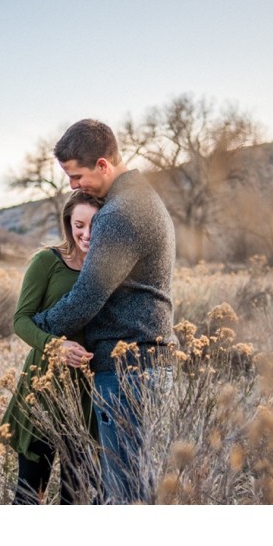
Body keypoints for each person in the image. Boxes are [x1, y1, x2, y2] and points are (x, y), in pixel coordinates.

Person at [33, 119, 177, 504]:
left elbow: (87, 296)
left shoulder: (118, 214)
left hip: (129, 368)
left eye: (77, 176)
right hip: (148, 362)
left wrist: (39, 328)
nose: (73, 187)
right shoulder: (145, 199)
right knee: (139, 486)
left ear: (102, 164)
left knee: (125, 493)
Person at [1, 190, 103, 505]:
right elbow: (21, 320)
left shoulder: (107, 269)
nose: (87, 233)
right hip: (43, 385)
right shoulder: (47, 261)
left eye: (96, 224)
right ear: (68, 224)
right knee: (31, 495)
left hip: (88, 394)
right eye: (79, 225)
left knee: (77, 496)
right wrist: (55, 346)